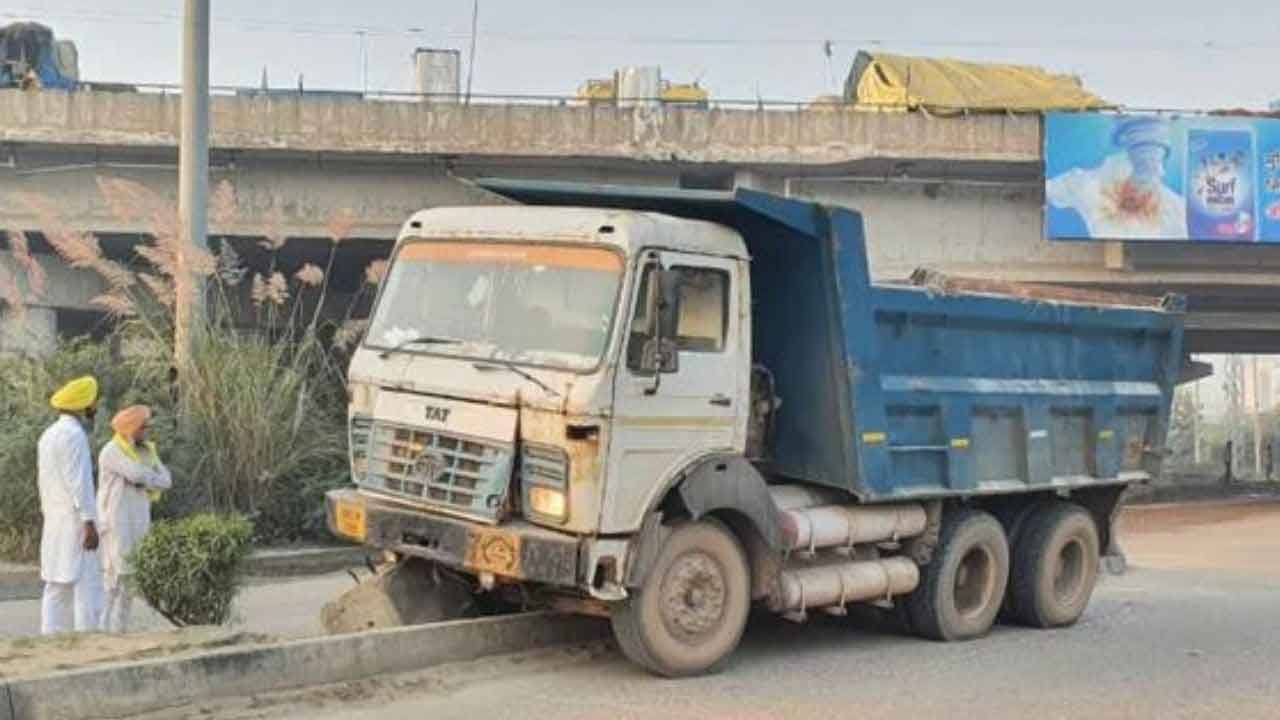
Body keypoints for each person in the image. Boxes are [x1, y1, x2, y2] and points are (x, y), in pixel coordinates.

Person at [97, 405, 171, 633]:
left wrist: (145, 478)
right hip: (116, 520)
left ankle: (120, 628)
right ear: (131, 429)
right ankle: (103, 627)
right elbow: (136, 474)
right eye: (143, 427)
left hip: (139, 518)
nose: (147, 431)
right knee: (115, 575)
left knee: (133, 573)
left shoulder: (147, 451)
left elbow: (167, 480)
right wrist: (149, 477)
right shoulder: (111, 451)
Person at [37, 376, 102, 635]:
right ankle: (88, 640)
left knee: (56, 583)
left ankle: (49, 638)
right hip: (76, 520)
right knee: (86, 584)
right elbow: (80, 483)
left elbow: (43, 482)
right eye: (93, 402)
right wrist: (89, 523)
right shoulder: (74, 436)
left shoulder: (48, 435)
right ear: (83, 405)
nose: (95, 407)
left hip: (54, 519)